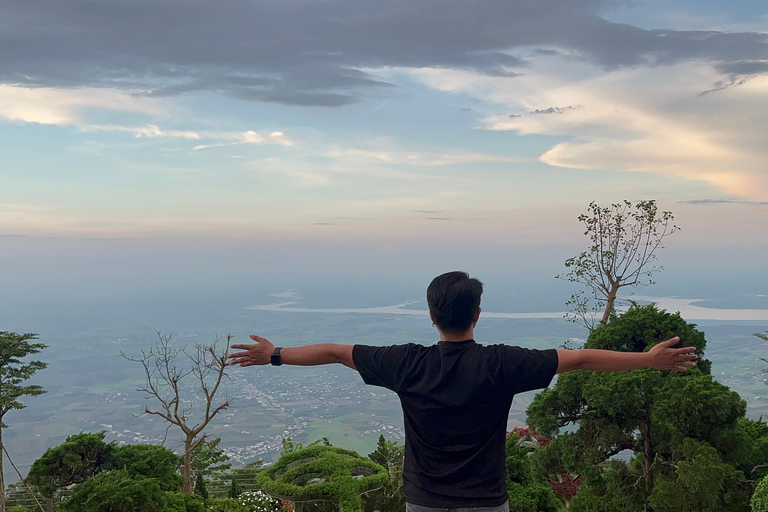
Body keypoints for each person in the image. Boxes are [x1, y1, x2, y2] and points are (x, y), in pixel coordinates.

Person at [228, 271, 697, 512]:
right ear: (477, 314)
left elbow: (333, 351)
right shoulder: (503, 364)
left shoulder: (406, 362)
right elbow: (578, 358)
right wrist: (649, 359)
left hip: (424, 498)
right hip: (487, 499)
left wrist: (274, 354)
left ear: (432, 316)